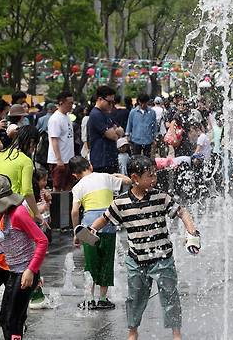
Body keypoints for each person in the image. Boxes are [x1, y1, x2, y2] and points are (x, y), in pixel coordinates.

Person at [89, 155, 201, 340]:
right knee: (135, 299)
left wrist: (192, 233)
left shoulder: (160, 197)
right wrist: (91, 230)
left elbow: (182, 212)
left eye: (155, 175)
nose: (154, 179)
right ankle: (133, 332)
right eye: (150, 176)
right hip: (136, 261)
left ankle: (176, 334)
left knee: (171, 297)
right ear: (135, 178)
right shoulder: (121, 202)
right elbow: (105, 218)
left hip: (162, 258)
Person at [0, 174, 48, 340]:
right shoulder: (2, 214)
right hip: (14, 271)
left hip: (24, 273)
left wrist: (32, 270)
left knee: (13, 321)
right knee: (6, 319)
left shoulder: (18, 214)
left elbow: (42, 241)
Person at [69, 156, 130, 310]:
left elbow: (75, 211)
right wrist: (117, 176)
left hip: (88, 226)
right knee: (106, 260)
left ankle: (89, 299)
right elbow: (129, 181)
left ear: (74, 175)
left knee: (91, 261)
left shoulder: (77, 186)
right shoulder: (106, 177)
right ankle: (103, 299)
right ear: (90, 165)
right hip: (108, 223)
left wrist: (76, 232)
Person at [0, 125, 43, 222]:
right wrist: (37, 213)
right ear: (32, 142)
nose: (34, 149)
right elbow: (27, 191)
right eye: (35, 145)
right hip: (13, 212)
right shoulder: (25, 161)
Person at [88, 86, 123, 174]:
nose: (112, 105)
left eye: (113, 102)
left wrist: (115, 131)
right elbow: (113, 136)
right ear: (100, 99)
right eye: (109, 102)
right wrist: (115, 131)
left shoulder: (107, 114)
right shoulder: (96, 114)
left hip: (111, 158)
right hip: (101, 161)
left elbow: (121, 130)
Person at [47, 91, 75, 191]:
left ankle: (66, 206)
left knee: (68, 185)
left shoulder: (67, 117)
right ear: (61, 103)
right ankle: (56, 206)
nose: (72, 105)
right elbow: (54, 139)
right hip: (59, 160)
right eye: (70, 103)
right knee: (57, 186)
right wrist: (59, 160)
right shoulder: (55, 118)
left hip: (68, 159)